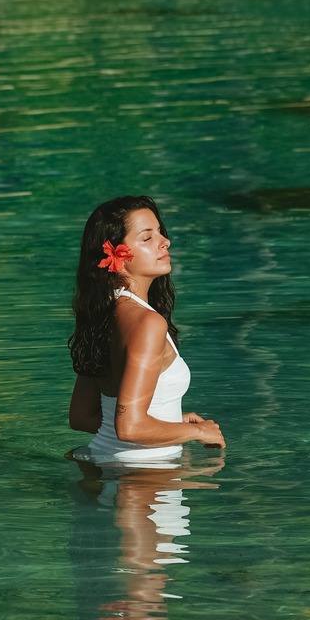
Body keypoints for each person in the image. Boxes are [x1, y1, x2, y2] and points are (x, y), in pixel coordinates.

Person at [67, 196, 225, 465]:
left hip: (105, 464)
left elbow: (81, 417)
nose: (165, 241)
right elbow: (130, 428)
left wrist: (171, 422)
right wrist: (198, 432)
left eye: (160, 232)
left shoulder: (103, 313)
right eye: (147, 237)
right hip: (145, 475)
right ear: (116, 255)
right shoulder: (147, 323)